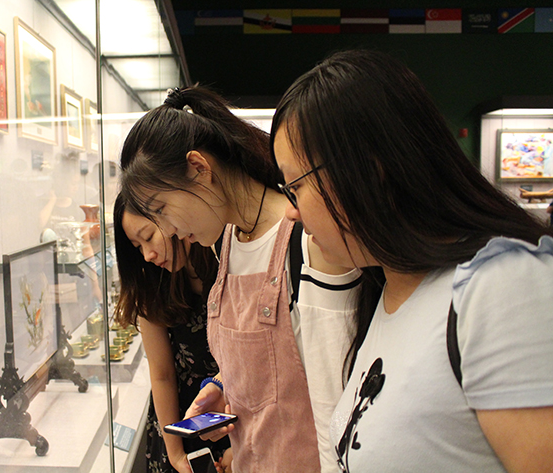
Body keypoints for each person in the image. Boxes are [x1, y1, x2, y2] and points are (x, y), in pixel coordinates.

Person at [270, 49, 553, 473]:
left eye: (296, 186)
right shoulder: (387, 289)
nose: (292, 212)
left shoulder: (500, 287)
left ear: (369, 171)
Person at [119, 85, 361, 473]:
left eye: (161, 209)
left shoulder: (308, 241)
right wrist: (225, 387)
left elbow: (338, 408)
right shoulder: (227, 242)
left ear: (199, 168)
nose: (169, 230)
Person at [113, 193, 230, 473]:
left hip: (235, 408)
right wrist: (176, 454)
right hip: (179, 421)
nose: (147, 254)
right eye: (137, 246)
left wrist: (240, 445)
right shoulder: (152, 281)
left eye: (149, 237)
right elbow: (162, 373)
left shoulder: (225, 255)